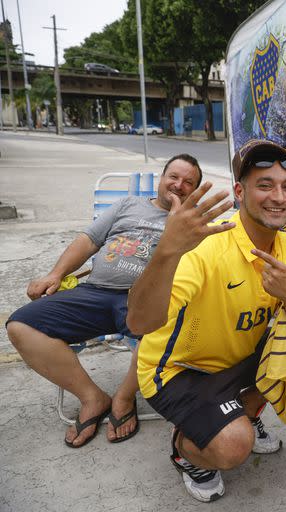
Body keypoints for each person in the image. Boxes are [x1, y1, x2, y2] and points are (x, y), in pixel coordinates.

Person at [126, 139, 286, 503]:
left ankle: (246, 408)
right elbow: (139, 323)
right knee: (235, 445)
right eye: (265, 185)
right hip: (178, 370)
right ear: (240, 191)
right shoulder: (206, 245)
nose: (279, 196)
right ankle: (184, 450)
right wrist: (167, 251)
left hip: (236, 361)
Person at [5, 154, 202, 448]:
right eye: (173, 176)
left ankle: (123, 397)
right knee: (20, 326)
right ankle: (92, 398)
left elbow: (195, 271)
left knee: (167, 331)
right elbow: (89, 241)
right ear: (161, 178)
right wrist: (55, 274)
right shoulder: (128, 205)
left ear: (195, 192)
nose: (179, 185)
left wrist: (177, 227)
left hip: (144, 302)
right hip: (94, 291)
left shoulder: (194, 223)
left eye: (189, 182)